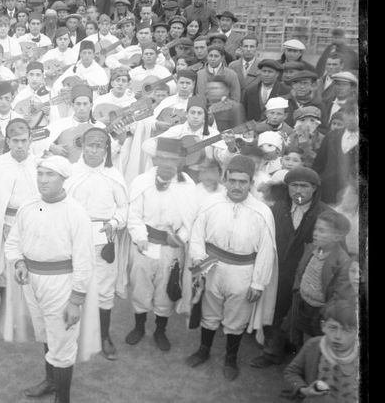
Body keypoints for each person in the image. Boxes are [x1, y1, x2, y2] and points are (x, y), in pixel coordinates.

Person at [3, 155, 98, 403]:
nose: (43, 180)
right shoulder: (28, 206)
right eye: (40, 174)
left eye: (50, 175)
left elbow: (85, 259)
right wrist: (20, 262)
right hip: (32, 282)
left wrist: (76, 300)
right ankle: (51, 381)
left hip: (61, 284)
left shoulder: (76, 213)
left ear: (63, 178)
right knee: (46, 333)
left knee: (63, 342)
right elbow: (14, 242)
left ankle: (62, 399)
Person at [185, 155, 277, 380]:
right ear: (225, 179)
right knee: (209, 312)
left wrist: (258, 282)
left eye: (242, 182)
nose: (237, 186)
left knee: (236, 317)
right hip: (212, 267)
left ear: (250, 183)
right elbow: (197, 234)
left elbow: (266, 251)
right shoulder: (211, 202)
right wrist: (199, 261)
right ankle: (204, 350)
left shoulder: (262, 212)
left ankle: (230, 358)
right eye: (233, 180)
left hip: (243, 270)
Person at [252, 167, 332, 369]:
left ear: (314, 189)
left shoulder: (326, 215)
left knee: (302, 318)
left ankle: (301, 360)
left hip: (306, 277)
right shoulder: (277, 209)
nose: (298, 191)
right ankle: (272, 352)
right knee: (275, 310)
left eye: (304, 186)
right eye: (294, 186)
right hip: (278, 271)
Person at [124, 137, 196, 352]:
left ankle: (160, 330)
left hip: (171, 246)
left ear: (180, 161)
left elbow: (191, 218)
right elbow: (134, 214)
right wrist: (140, 236)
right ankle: (139, 326)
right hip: (145, 243)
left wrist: (180, 237)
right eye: (162, 158)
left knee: (166, 288)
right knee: (140, 285)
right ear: (155, 158)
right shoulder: (141, 181)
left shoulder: (187, 184)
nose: (167, 163)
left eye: (172, 159)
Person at [64, 126, 129, 360]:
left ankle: (104, 336)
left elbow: (124, 207)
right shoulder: (70, 173)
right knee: (73, 284)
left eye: (98, 146)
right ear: (82, 145)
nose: (93, 150)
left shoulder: (114, 175)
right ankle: (72, 333)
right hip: (75, 239)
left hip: (103, 240)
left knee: (103, 289)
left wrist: (115, 222)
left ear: (106, 149)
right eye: (90, 145)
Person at [0, 119, 39, 321]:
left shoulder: (38, 163)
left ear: (30, 140)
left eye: (23, 140)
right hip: (6, 223)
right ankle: (5, 305)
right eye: (15, 141)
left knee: (33, 262)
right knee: (5, 265)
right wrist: (1, 223)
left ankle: (32, 305)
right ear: (8, 141)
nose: (20, 146)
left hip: (33, 224)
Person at [288, 210, 356, 346]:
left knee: (317, 344)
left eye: (322, 230)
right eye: (315, 229)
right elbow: (300, 269)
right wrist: (298, 290)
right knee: (302, 338)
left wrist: (325, 313)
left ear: (338, 236)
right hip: (303, 303)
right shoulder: (312, 248)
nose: (315, 233)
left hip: (319, 312)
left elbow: (340, 296)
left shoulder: (342, 262)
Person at [282, 299, 359, 402]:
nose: (338, 336)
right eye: (332, 328)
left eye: (346, 330)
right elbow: (291, 372)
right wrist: (305, 390)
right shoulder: (313, 346)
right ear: (323, 326)